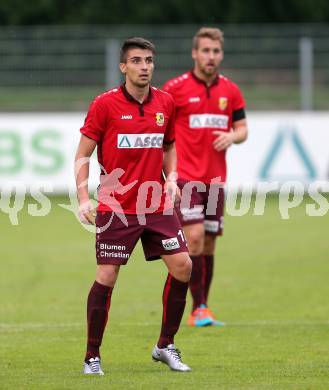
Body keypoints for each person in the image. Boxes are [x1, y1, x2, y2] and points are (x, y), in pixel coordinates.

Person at [75, 37, 192, 374]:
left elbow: (169, 146)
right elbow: (82, 155)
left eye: (149, 60)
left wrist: (172, 177)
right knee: (108, 275)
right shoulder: (104, 105)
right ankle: (92, 356)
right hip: (116, 205)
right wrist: (84, 198)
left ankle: (165, 346)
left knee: (183, 266)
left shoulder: (166, 103)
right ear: (123, 66)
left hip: (156, 204)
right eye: (137, 61)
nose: (145, 67)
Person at [163, 27, 248, 327]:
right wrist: (167, 175)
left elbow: (243, 129)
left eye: (215, 51)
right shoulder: (175, 89)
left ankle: (202, 307)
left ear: (221, 54)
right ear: (194, 53)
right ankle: (192, 308)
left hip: (215, 181)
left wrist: (232, 137)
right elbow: (162, 130)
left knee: (209, 244)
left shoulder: (231, 90)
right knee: (195, 238)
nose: (210, 57)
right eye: (205, 51)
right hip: (186, 178)